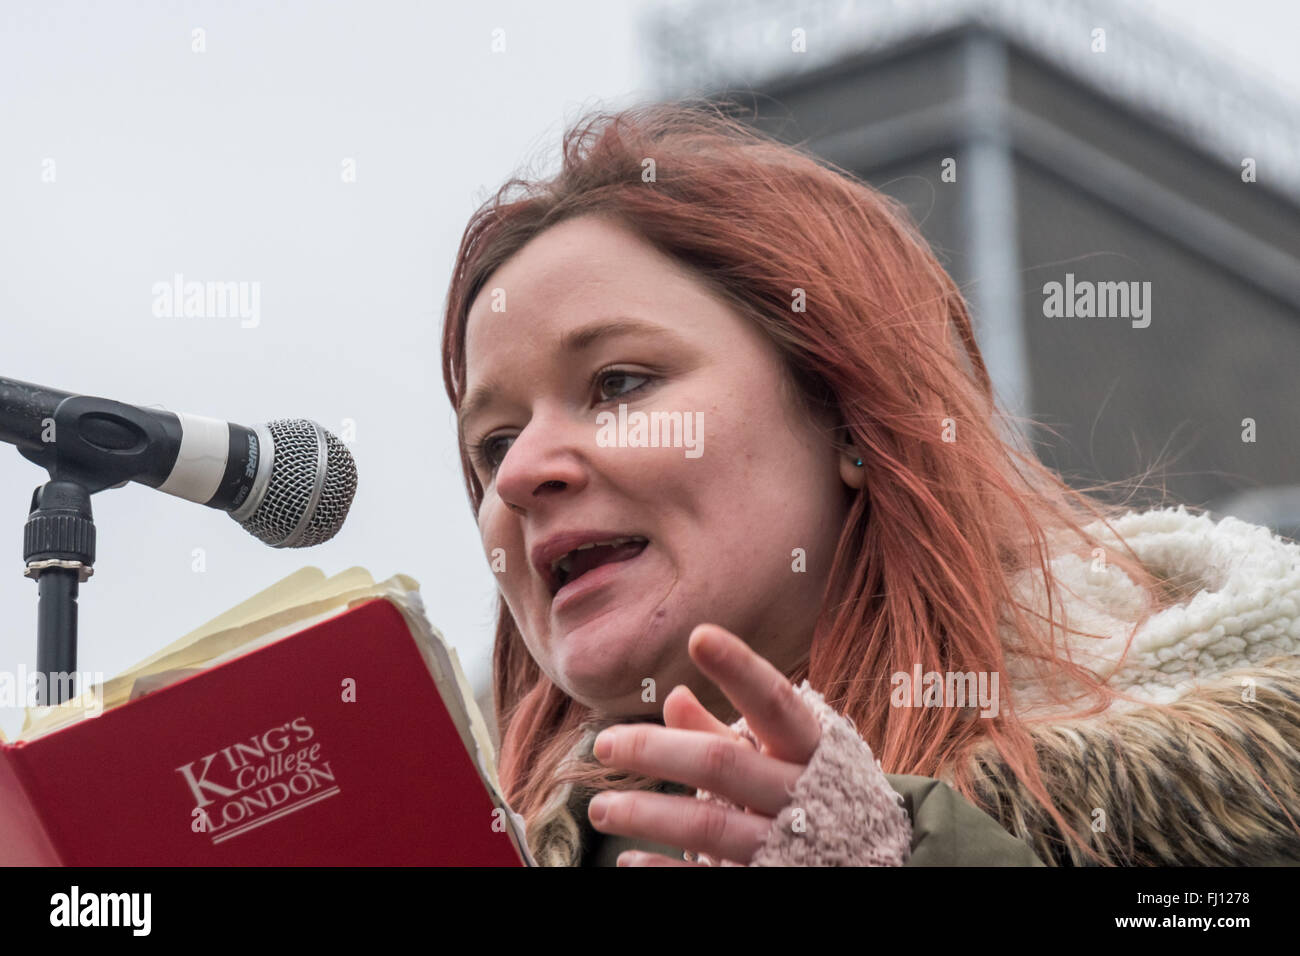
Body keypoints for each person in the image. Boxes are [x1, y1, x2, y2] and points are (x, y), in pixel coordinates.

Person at [440, 101, 1300, 866]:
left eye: (620, 383)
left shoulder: (1244, 777)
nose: (518, 475)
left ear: (851, 417)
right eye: (493, 443)